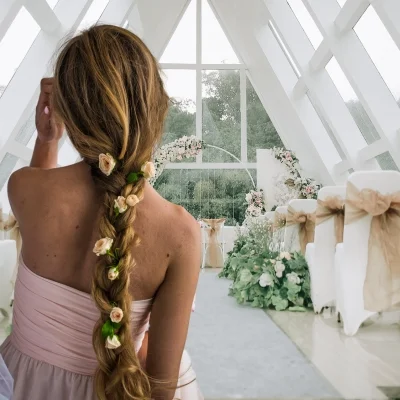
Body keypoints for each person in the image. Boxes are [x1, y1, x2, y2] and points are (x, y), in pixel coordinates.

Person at [0, 25, 203, 400]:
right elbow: (161, 387)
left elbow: (44, 201)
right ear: (155, 104)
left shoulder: (24, 188)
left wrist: (48, 139)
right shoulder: (182, 235)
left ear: (66, 108)